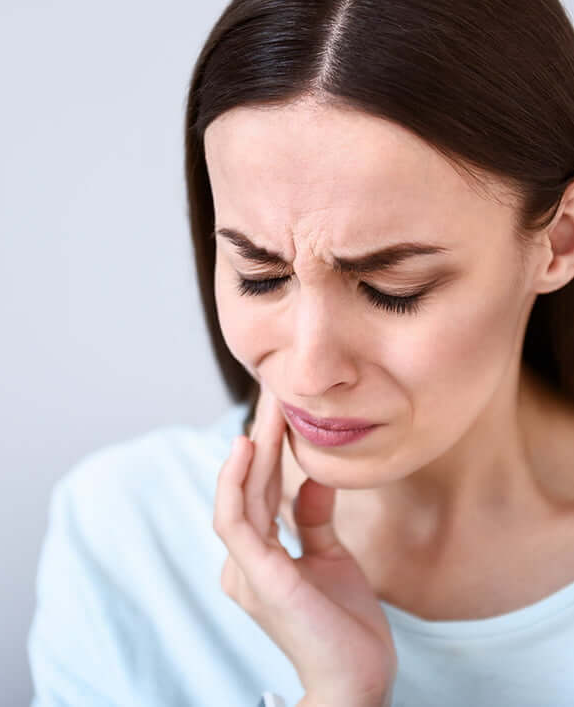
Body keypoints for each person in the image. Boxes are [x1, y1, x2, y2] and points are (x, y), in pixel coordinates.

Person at [28, 0, 574, 705]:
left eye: (391, 288)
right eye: (259, 276)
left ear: (557, 241)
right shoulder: (127, 531)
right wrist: (339, 691)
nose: (308, 372)